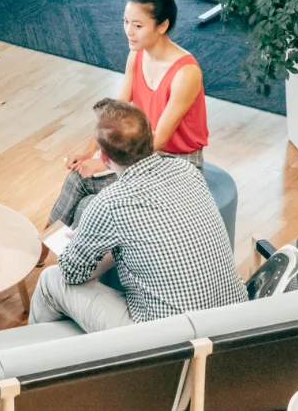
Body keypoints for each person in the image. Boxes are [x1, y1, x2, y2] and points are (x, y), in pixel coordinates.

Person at [30, 98, 245, 334]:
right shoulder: (188, 171)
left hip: (167, 340)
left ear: (104, 158)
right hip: (231, 322)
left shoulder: (110, 204)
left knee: (51, 281)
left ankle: (32, 362)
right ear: (151, 138)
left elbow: (72, 273)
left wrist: (87, 241)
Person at [48, 0, 209, 234]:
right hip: (139, 151)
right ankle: (40, 248)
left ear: (162, 25)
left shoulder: (186, 73)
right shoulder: (137, 54)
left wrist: (106, 162)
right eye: (125, 22)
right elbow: (114, 113)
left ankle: (59, 257)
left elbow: (158, 140)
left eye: (137, 25)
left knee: (91, 205)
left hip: (176, 162)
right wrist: (89, 152)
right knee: (77, 178)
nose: (128, 32)